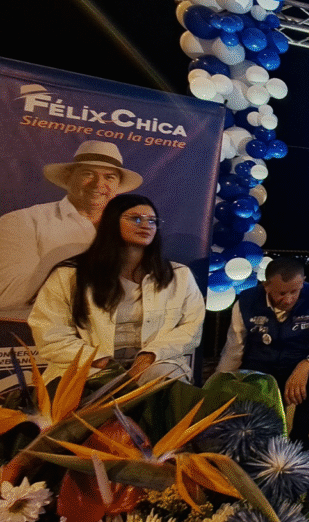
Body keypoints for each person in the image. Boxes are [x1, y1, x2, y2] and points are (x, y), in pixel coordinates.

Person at [29, 194, 202, 385]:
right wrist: (101, 362)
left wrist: (150, 356)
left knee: (162, 380)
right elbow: (51, 334)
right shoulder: (69, 274)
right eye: (136, 219)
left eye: (152, 221)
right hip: (90, 366)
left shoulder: (179, 275)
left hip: (156, 363)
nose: (146, 225)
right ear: (112, 222)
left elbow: (191, 328)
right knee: (97, 386)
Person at [216, 257, 309, 458]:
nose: (288, 299)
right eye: (281, 293)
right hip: (260, 365)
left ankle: (300, 441)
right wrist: (220, 384)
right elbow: (233, 349)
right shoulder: (246, 301)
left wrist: (308, 363)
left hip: (300, 361)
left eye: (294, 292)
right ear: (266, 286)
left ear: (303, 282)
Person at [0, 140, 143, 313]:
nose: (98, 184)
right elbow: (6, 293)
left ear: (118, 185)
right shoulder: (23, 221)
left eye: (109, 177)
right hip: (40, 328)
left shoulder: (132, 230)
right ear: (69, 177)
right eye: (88, 174)